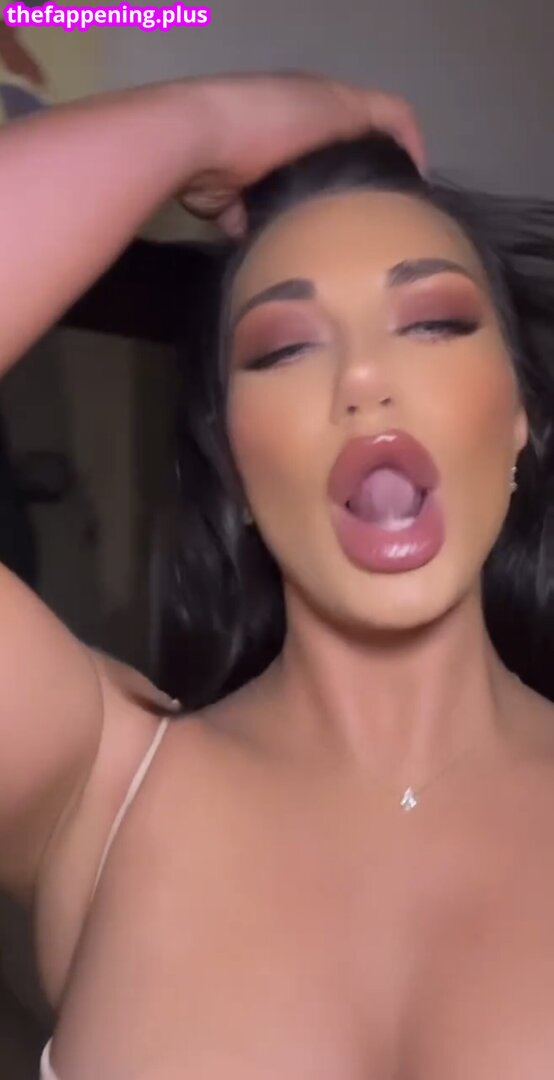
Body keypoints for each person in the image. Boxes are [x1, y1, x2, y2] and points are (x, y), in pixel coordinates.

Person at [0, 69, 552, 1080]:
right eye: (285, 348)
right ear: (235, 464)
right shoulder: (102, 791)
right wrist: (208, 122)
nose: (363, 379)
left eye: (431, 322)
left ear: (519, 416)